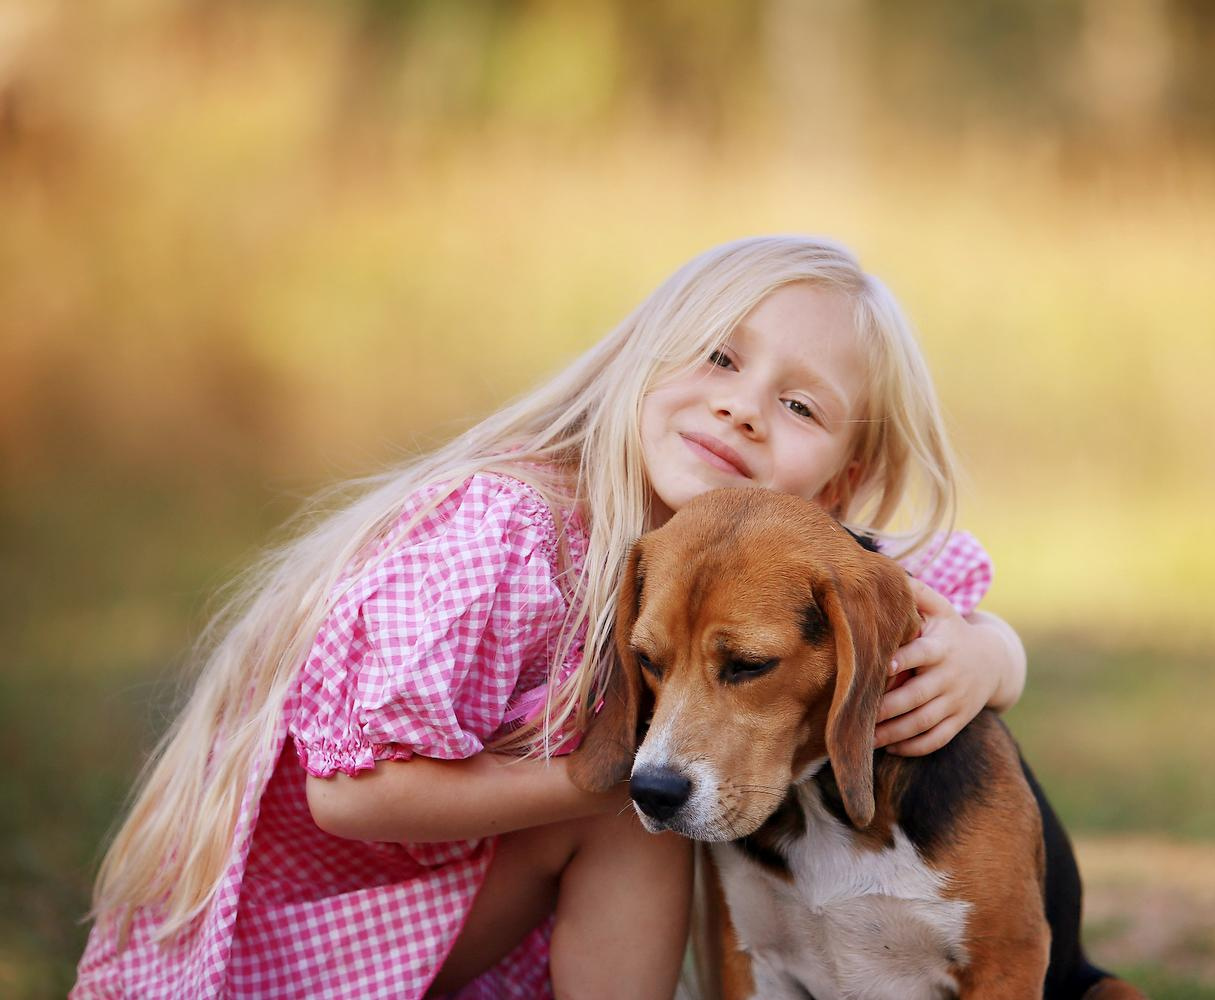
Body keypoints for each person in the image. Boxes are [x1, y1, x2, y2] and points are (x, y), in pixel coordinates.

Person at [75, 235, 1028, 999]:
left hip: (465, 928)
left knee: (647, 799)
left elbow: (935, 594)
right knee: (632, 808)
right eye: (722, 359)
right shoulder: (508, 535)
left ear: (841, 487)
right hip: (303, 947)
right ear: (645, 362)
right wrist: (597, 778)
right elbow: (350, 794)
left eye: (798, 406)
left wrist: (990, 657)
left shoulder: (793, 563)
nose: (742, 410)